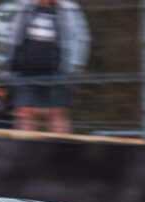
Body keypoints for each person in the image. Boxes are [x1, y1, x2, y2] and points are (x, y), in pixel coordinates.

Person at [5, 0, 90, 134]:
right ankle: (24, 150)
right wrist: (8, 67)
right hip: (26, 72)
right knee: (25, 113)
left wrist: (74, 68)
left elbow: (81, 39)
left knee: (57, 113)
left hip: (58, 73)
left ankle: (59, 152)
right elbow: (11, 37)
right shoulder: (24, 6)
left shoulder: (69, 9)